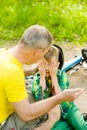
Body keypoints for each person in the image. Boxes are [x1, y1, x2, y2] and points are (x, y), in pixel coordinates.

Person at [0, 25, 83, 130]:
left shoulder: (3, 53)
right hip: (4, 123)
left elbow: (7, 75)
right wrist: (60, 98)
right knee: (51, 115)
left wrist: (32, 71)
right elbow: (26, 115)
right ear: (37, 52)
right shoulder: (13, 72)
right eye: (44, 53)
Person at [31, 44, 87, 130]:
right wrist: (42, 77)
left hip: (68, 109)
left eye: (51, 65)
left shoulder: (62, 76)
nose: (47, 69)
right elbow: (40, 98)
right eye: (44, 64)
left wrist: (53, 77)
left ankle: (80, 120)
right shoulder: (37, 78)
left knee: (83, 128)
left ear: (57, 65)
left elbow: (60, 96)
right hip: (54, 115)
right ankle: (80, 119)